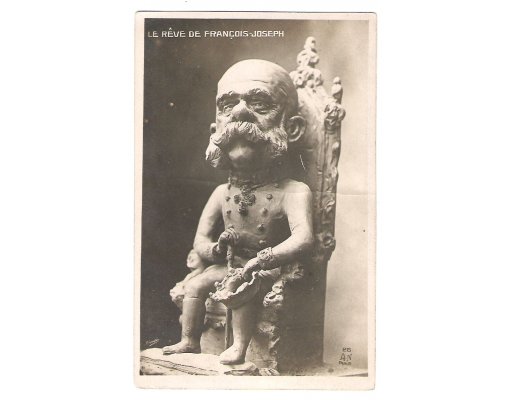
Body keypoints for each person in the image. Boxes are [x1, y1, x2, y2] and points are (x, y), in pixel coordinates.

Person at [162, 59, 314, 365]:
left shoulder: (294, 191)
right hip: (230, 263)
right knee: (196, 284)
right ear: (215, 129)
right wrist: (216, 250)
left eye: (259, 103)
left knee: (244, 287)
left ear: (292, 129)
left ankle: (240, 347)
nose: (240, 113)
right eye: (229, 105)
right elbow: (200, 241)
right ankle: (189, 341)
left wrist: (262, 260)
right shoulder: (222, 192)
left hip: (264, 269)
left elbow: (304, 238)